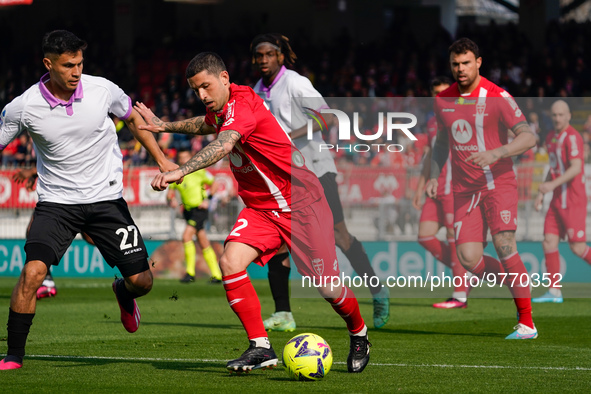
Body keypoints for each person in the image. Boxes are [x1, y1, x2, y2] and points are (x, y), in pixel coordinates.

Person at [135, 51, 371, 373]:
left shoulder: (242, 106)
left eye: (205, 86)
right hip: (262, 209)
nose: (201, 95)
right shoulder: (221, 108)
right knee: (230, 261)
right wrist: (165, 125)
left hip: (302, 206)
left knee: (328, 287)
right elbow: (205, 124)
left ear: (224, 79)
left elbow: (224, 143)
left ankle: (359, 333)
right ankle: (261, 347)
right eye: (195, 90)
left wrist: (182, 170)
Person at [0, 30, 176, 370]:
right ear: (48, 64)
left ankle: (123, 294)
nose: (77, 72)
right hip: (56, 205)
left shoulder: (102, 89)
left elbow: (133, 119)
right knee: (32, 273)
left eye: (80, 63)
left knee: (142, 282)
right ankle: (13, 355)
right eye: (68, 66)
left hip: (106, 201)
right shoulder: (23, 106)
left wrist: (161, 159)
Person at [250, 33, 389, 331]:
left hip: (316, 170)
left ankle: (377, 291)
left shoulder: (297, 83)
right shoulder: (256, 91)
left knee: (340, 236)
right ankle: (284, 314)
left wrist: (289, 137)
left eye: (268, 54)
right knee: (279, 241)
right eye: (258, 55)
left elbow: (329, 118)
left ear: (280, 56)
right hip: (284, 178)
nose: (263, 60)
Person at [426, 38, 538, 339]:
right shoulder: (443, 100)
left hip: (497, 183)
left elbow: (528, 137)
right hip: (464, 191)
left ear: (478, 62)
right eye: (455, 64)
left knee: (504, 246)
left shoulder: (498, 96)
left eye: (465, 63)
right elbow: (440, 144)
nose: (460, 69)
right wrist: (434, 175)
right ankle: (519, 287)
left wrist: (497, 152)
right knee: (468, 259)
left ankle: (526, 322)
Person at [413, 76, 469, 309]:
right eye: (436, 92)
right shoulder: (433, 121)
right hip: (434, 187)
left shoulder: (463, 115)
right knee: (424, 236)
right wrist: (419, 187)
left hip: (454, 188)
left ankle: (459, 295)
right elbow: (430, 155)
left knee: (452, 239)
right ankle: (466, 274)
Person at [533, 100, 590, 303]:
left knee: (578, 247)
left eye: (560, 115)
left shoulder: (573, 137)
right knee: (548, 241)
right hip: (557, 199)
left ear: (568, 116)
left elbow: (575, 167)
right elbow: (554, 166)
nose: (557, 118)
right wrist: (542, 192)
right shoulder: (550, 137)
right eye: (554, 115)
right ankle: (554, 291)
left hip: (573, 200)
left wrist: (551, 185)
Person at [167, 147, 222, 283]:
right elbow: (169, 194)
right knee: (203, 241)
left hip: (199, 210)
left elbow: (215, 184)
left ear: (190, 158)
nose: (183, 160)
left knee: (186, 237)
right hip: (188, 211)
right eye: (181, 158)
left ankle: (190, 273)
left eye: (186, 157)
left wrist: (207, 199)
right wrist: (171, 200)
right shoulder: (177, 174)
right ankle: (217, 275)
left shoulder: (199, 171)